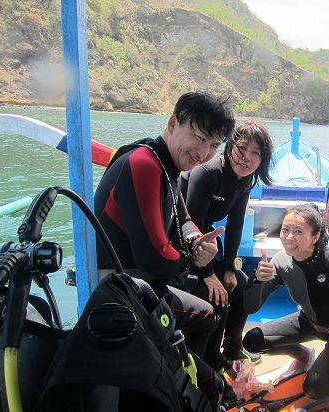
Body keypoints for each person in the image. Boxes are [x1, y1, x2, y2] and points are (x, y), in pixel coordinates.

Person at [94, 91, 236, 410]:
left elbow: (183, 218)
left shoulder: (167, 166)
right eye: (199, 137)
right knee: (211, 379)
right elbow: (155, 258)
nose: (203, 153)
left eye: (214, 145)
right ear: (173, 124)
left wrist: (197, 241)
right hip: (120, 294)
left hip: (143, 285)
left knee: (208, 313)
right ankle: (176, 383)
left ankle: (176, 376)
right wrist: (192, 259)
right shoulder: (143, 164)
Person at [242, 203, 329, 401]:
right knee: (252, 340)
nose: (289, 237)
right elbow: (251, 307)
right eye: (285, 229)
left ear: (315, 237)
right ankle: (304, 356)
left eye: (298, 231)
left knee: (314, 387)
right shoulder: (281, 261)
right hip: (308, 322)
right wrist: (257, 280)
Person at [181, 121, 274, 372]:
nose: (246, 158)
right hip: (185, 244)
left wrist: (230, 267)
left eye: (256, 153)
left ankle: (232, 347)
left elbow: (235, 225)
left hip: (208, 242)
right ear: (230, 146)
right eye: (242, 148)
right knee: (219, 295)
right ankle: (211, 360)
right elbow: (192, 225)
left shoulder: (245, 180)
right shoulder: (208, 173)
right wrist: (208, 274)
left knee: (242, 286)